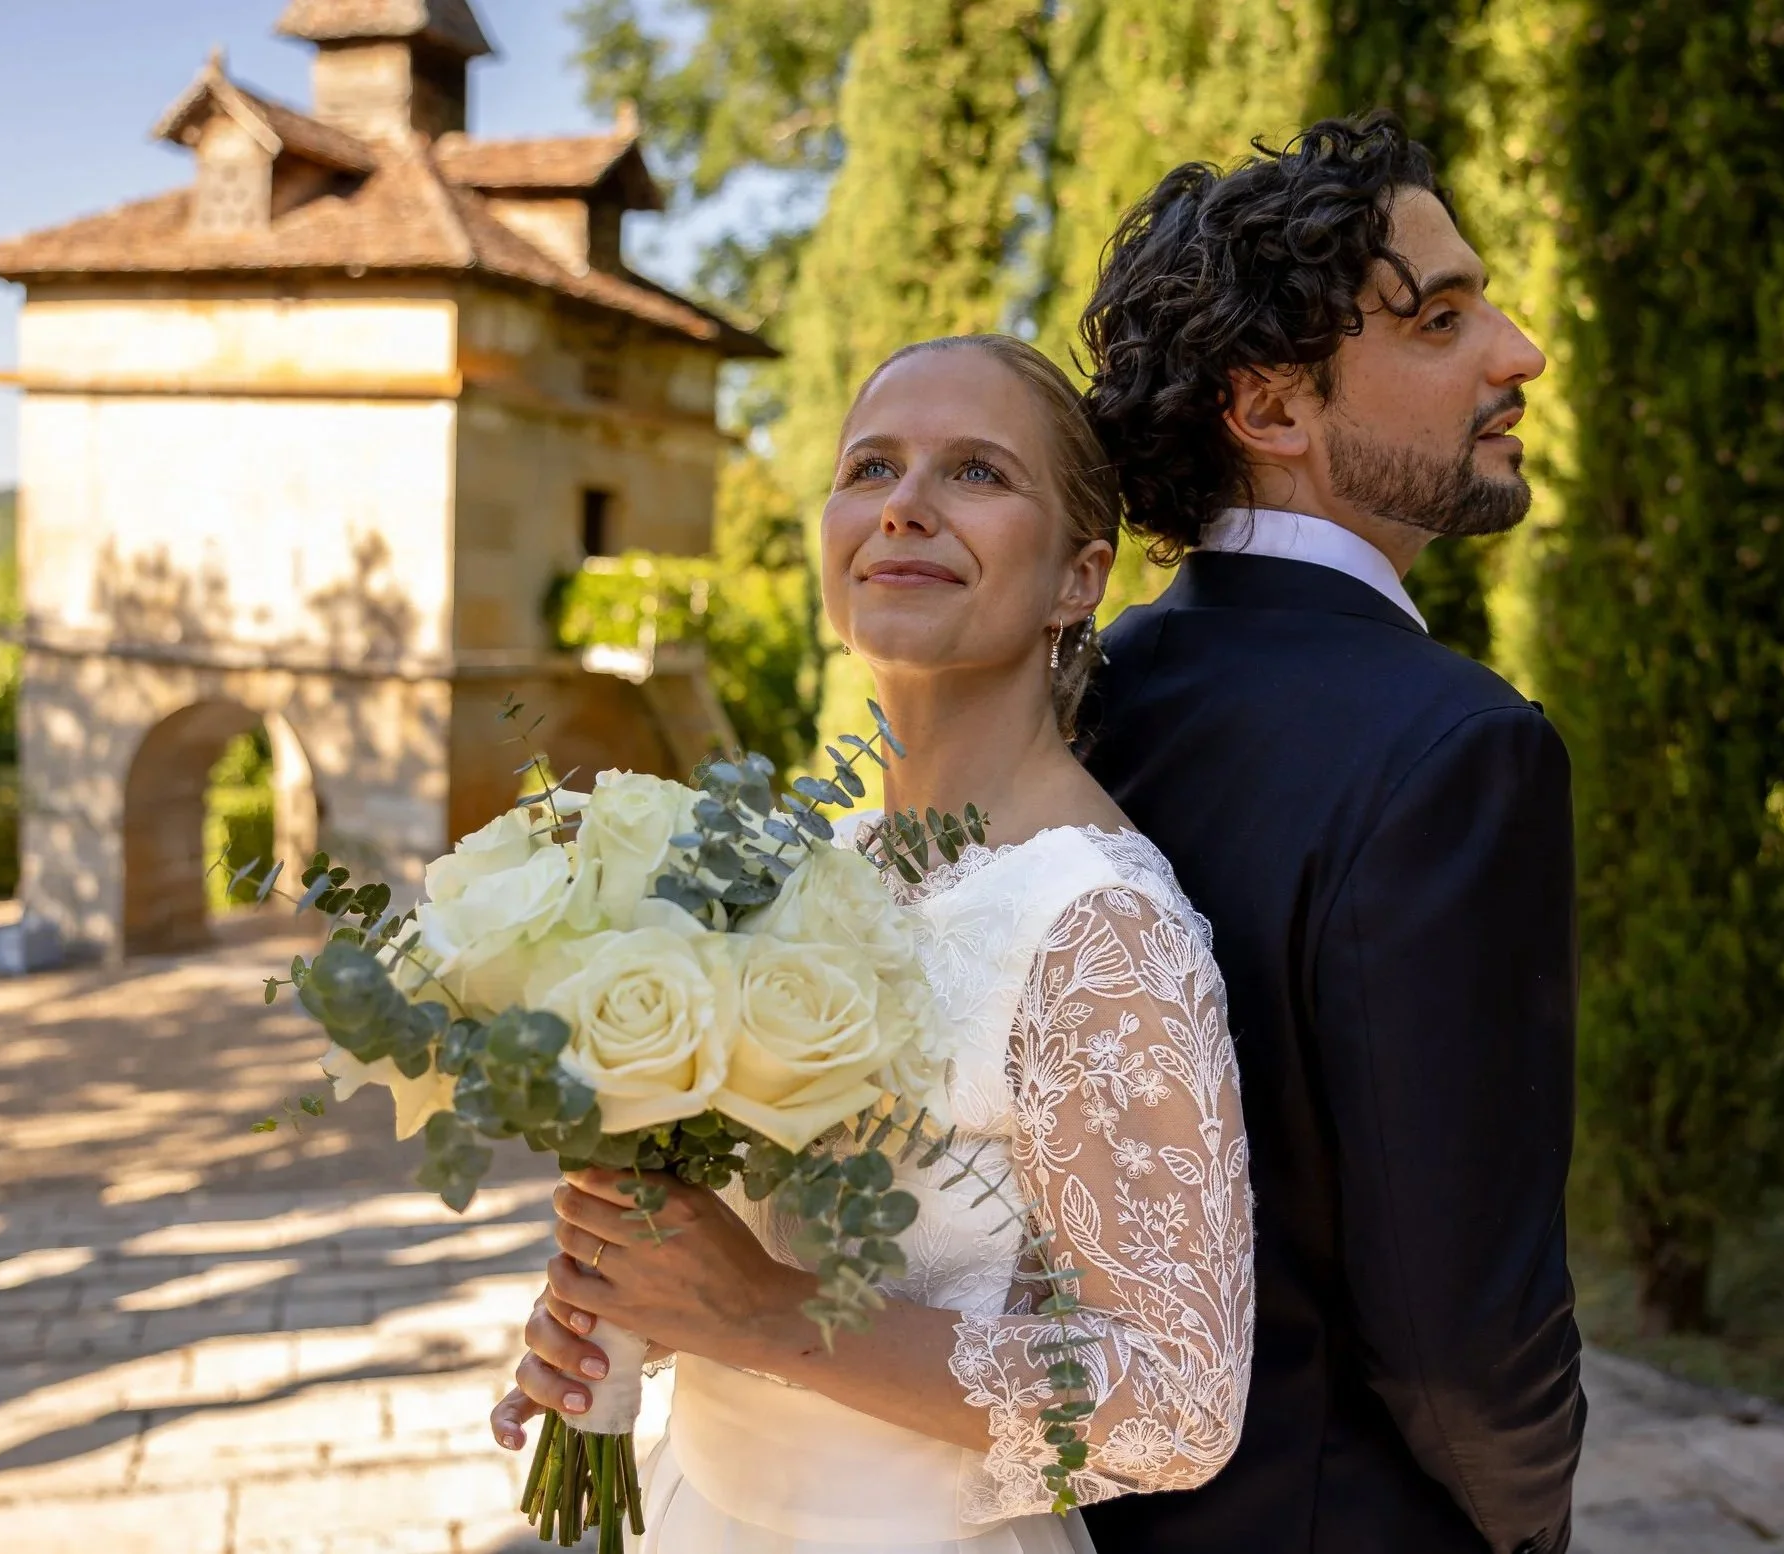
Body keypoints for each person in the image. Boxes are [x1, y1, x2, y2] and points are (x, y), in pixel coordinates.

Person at [489, 335, 1254, 1554]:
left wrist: (764, 1312)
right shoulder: (805, 866)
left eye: (976, 473)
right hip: (698, 1509)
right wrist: (628, 1304)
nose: (903, 506)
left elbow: (1177, 1403)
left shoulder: (1096, 927)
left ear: (1078, 577)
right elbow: (721, 1233)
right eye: (871, 468)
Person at [1075, 114, 1585, 1554]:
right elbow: (1459, 1324)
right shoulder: (1458, 748)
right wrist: (1529, 1525)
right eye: (1438, 319)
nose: (1519, 352)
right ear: (1270, 408)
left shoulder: (1086, 693)